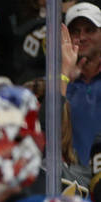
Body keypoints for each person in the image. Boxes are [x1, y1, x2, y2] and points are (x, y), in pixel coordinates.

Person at [65, 3, 101, 167]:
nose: (82, 37)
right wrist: (65, 80)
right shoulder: (54, 83)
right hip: (70, 181)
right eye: (75, 31)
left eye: (90, 30)